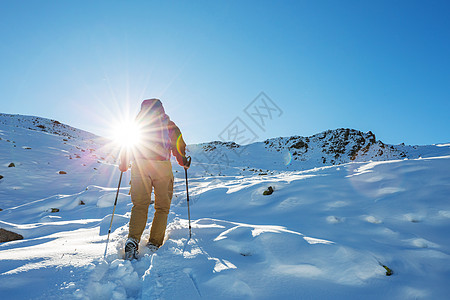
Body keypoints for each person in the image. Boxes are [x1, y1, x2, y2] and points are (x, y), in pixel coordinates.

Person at [119, 98, 190, 260]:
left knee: (140, 205)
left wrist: (123, 164)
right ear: (162, 109)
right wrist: (184, 162)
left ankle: (133, 239)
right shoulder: (169, 125)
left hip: (140, 166)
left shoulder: (136, 125)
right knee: (162, 207)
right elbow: (179, 148)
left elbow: (127, 146)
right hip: (162, 167)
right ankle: (154, 242)